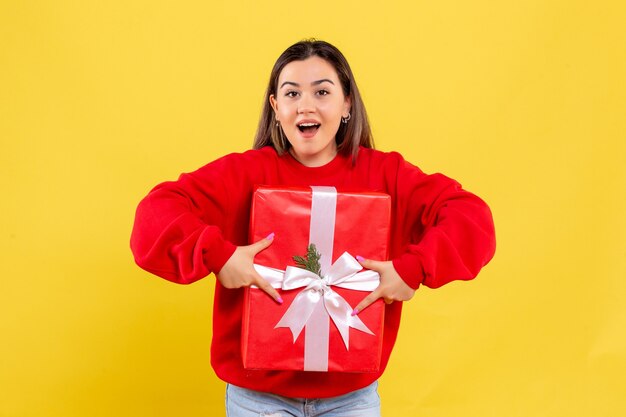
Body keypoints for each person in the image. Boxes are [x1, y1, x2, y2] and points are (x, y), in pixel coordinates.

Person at [130, 39, 496, 417]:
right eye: (292, 93)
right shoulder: (245, 174)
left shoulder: (385, 175)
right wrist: (218, 255)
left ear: (347, 102)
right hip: (257, 400)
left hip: (352, 399)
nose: (306, 105)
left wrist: (414, 268)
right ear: (276, 107)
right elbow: (154, 213)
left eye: (322, 91)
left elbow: (472, 217)